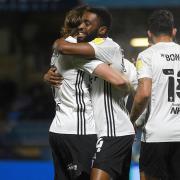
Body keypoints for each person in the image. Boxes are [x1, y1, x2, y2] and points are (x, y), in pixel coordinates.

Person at [45, 6, 130, 180]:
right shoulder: (79, 54)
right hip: (79, 129)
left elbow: (59, 56)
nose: (83, 27)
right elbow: (118, 80)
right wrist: (122, 80)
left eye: (87, 22)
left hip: (57, 129)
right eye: (82, 22)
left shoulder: (58, 53)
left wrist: (46, 76)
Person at [130, 9, 180, 180]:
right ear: (174, 31)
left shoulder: (146, 56)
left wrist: (132, 120)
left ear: (149, 34)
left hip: (157, 135)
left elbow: (144, 94)